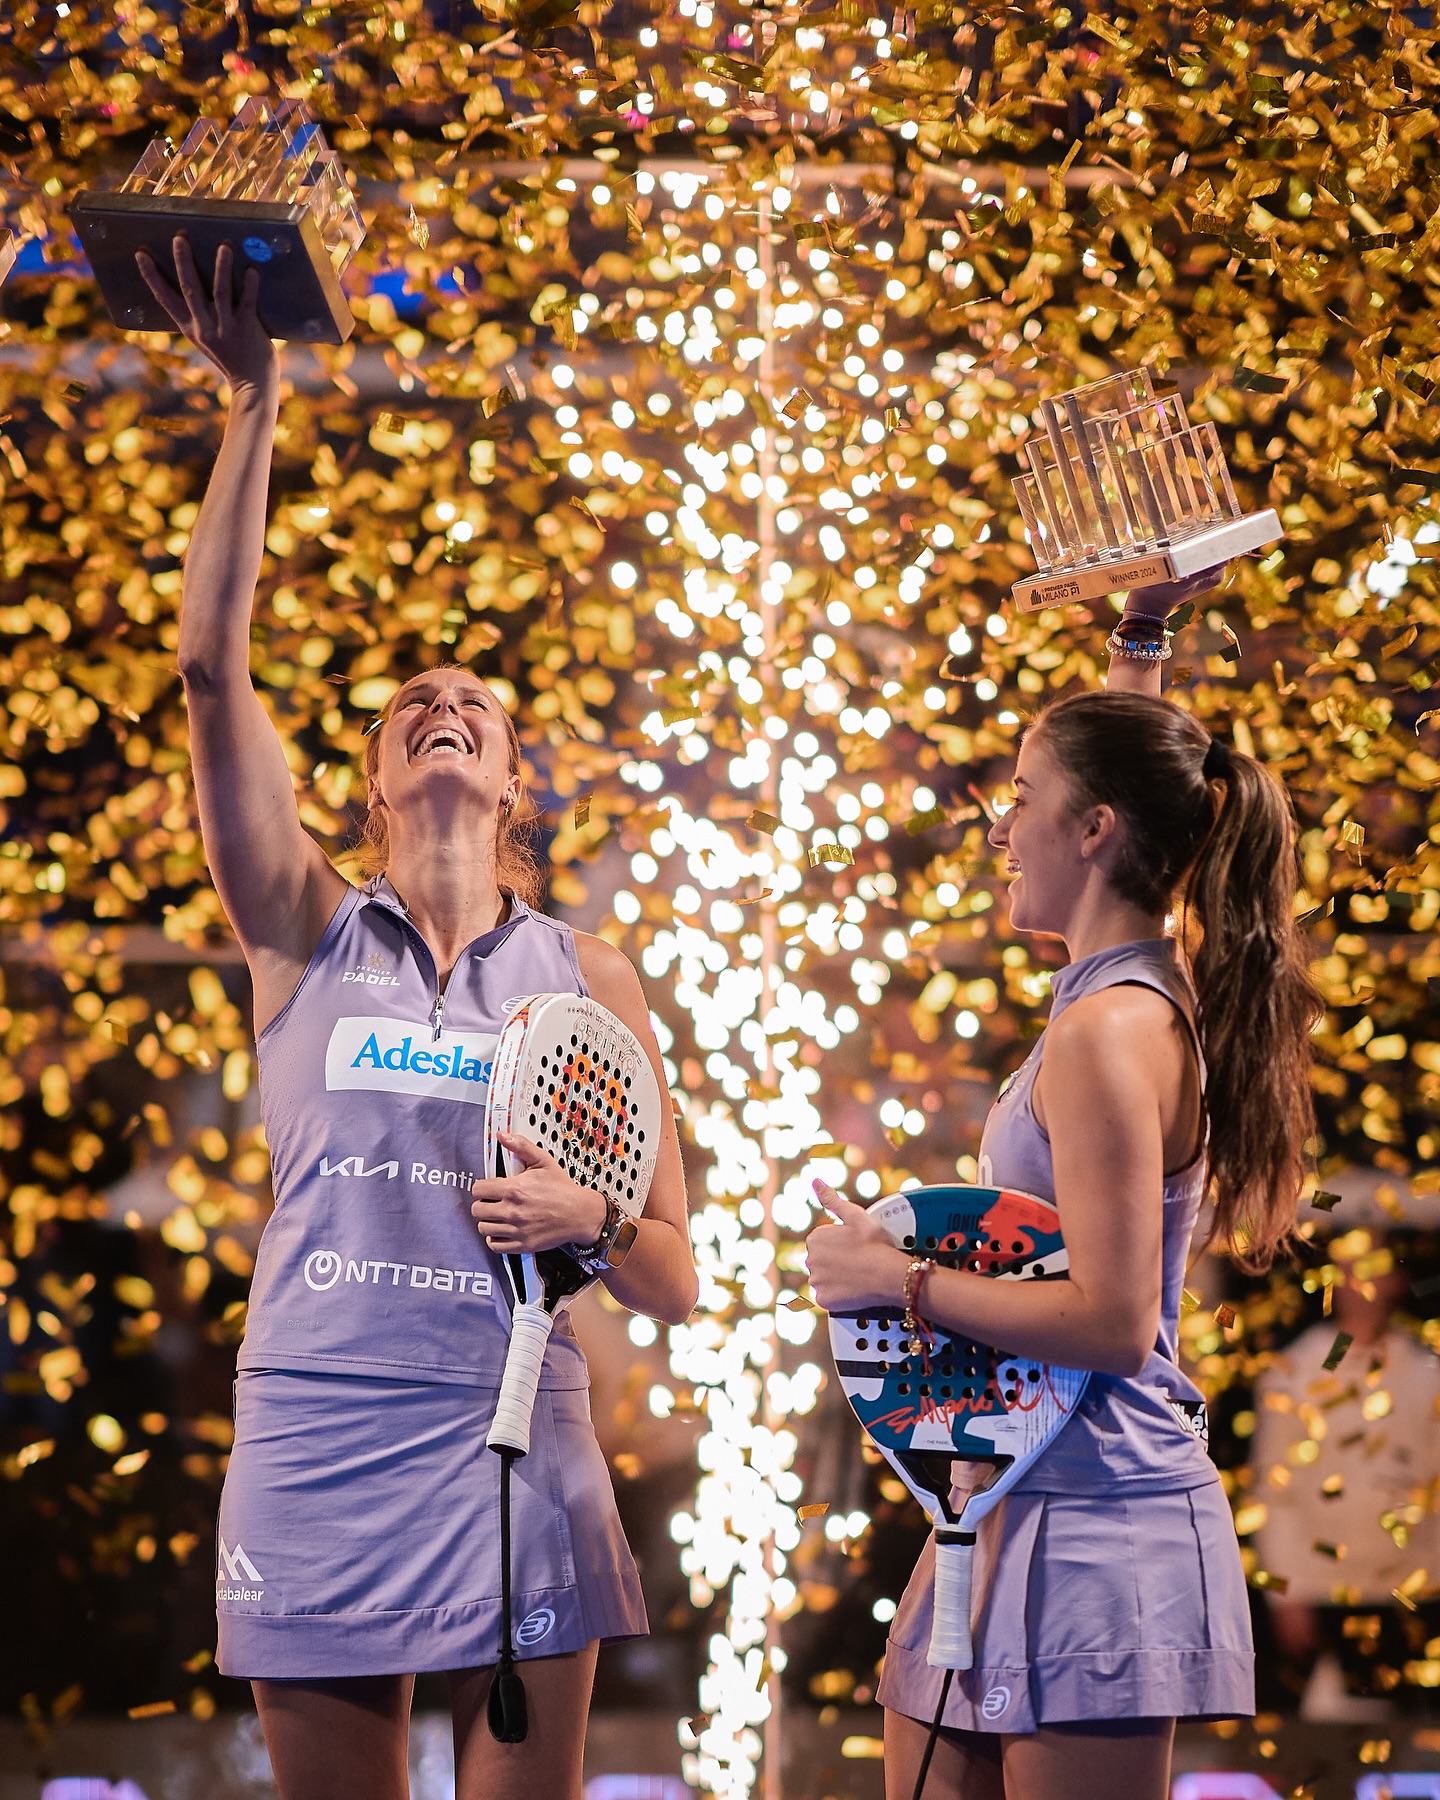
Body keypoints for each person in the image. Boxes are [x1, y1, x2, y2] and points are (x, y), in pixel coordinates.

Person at [135, 238, 697, 1800]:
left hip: (516, 1438)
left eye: (478, 707)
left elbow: (675, 1277)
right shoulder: (304, 925)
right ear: (375, 780)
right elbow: (203, 663)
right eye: (407, 709)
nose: (443, 705)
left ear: (510, 781)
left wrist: (590, 1215)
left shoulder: (593, 982)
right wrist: (254, 405)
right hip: (320, 1428)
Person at [806, 582, 1323, 1800]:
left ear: (1092, 830)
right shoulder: (1124, 991)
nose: (1002, 828)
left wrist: (898, 1281)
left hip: (1094, 1518)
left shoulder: (1109, 1031)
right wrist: (1136, 650)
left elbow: (1109, 1318)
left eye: (1023, 800)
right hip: (1010, 1490)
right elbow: (1134, 785)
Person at [1252, 1227, 1440, 1717]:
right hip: (1319, 1590)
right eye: (1355, 1270)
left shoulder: (1426, 1373)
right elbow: (1272, 1489)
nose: (1367, 1284)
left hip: (1408, 1590)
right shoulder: (1297, 1371)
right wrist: (1283, 1591)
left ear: (1397, 1281)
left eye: (1378, 1269)